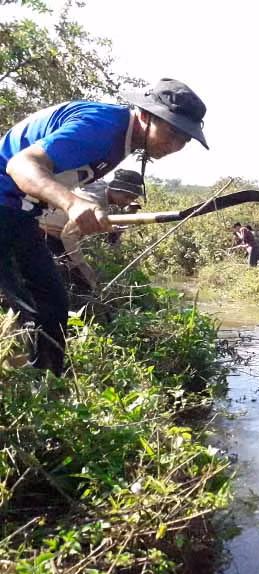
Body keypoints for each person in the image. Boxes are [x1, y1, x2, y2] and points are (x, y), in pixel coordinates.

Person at [0, 78, 209, 375]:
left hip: (21, 213)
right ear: (145, 115)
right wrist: (72, 204)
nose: (175, 145)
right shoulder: (102, 127)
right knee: (34, 307)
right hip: (5, 207)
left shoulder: (120, 138)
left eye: (184, 139)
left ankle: (47, 387)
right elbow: (20, 165)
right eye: (172, 132)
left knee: (53, 304)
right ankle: (30, 391)